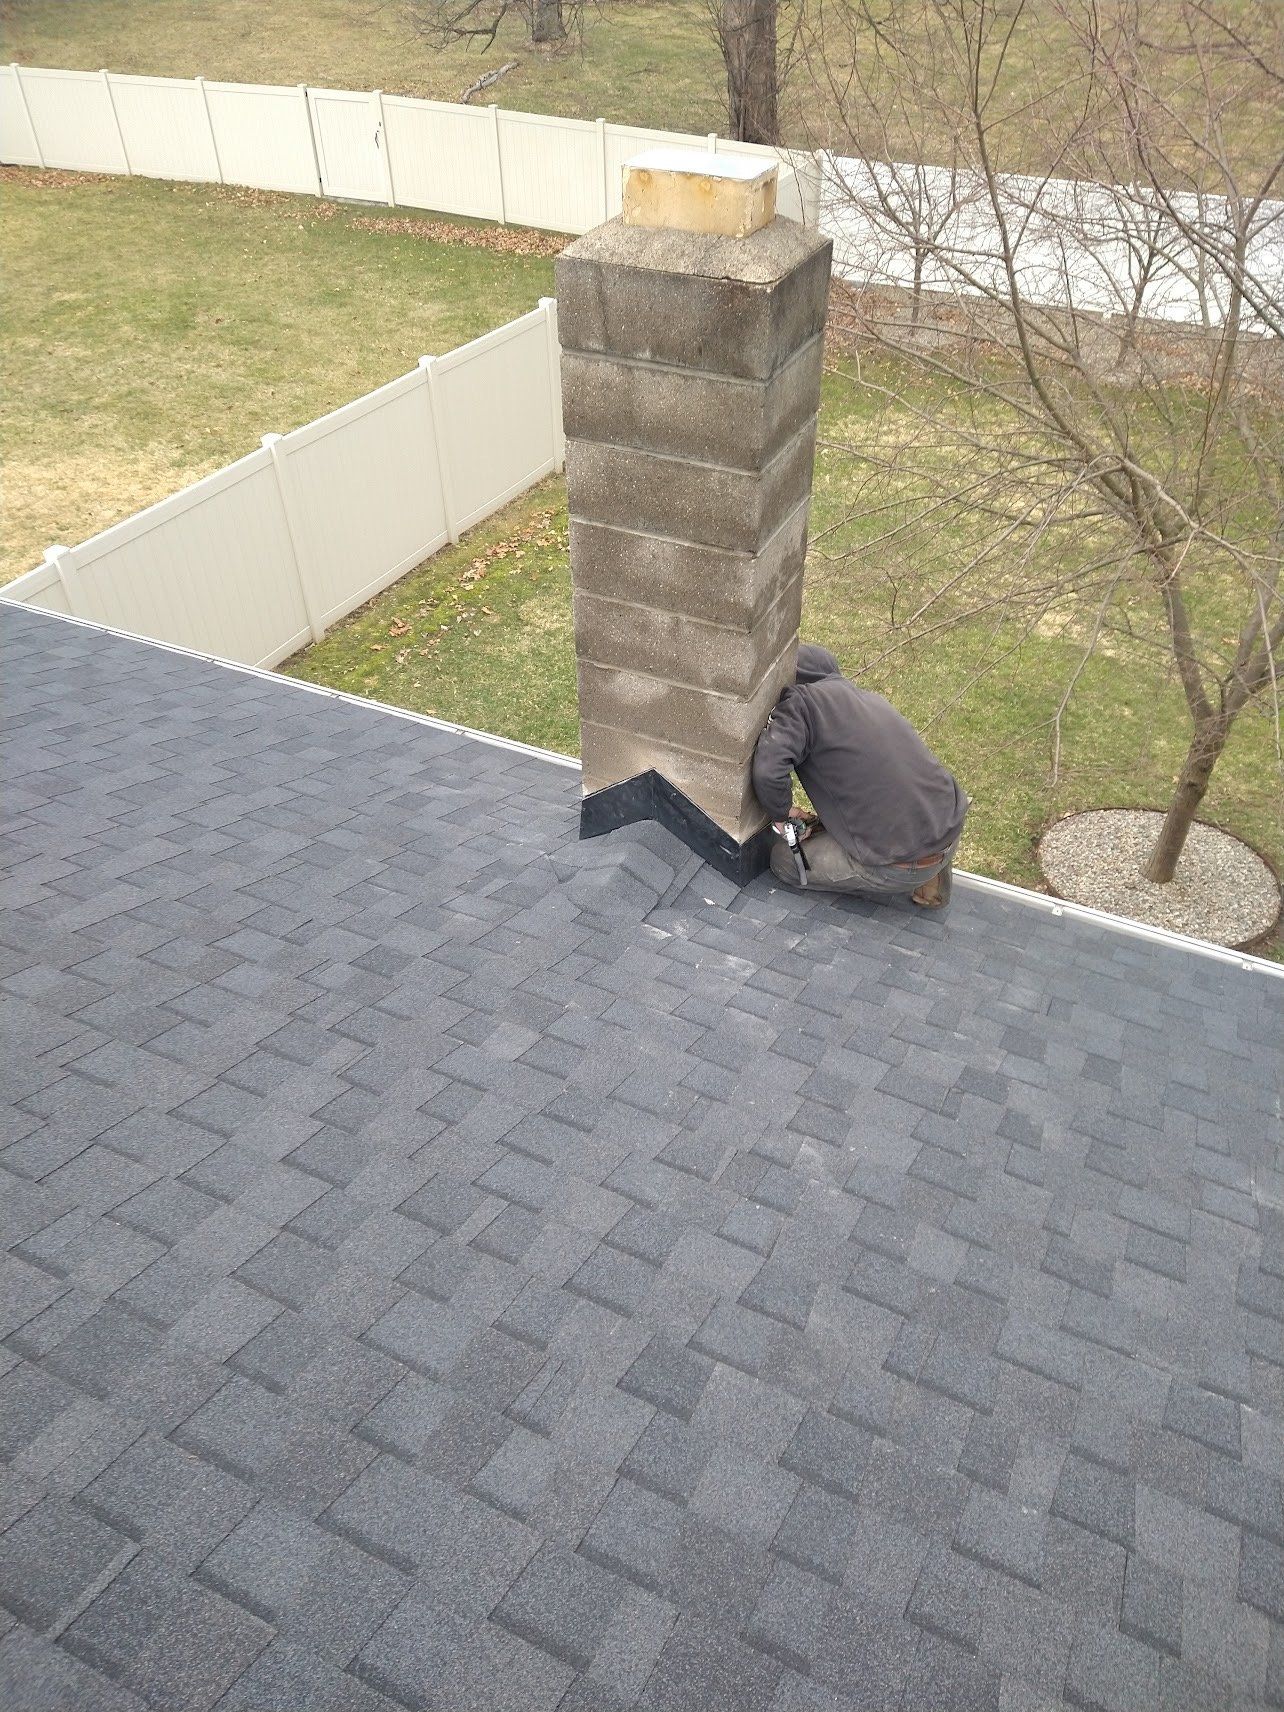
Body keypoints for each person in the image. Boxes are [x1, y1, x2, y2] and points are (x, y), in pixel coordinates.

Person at [752, 644, 968, 908]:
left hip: (897, 864)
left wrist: (782, 815)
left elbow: (768, 771)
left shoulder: (801, 706)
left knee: (783, 860)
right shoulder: (868, 700)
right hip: (950, 824)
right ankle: (932, 886)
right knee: (910, 802)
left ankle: (907, 874)